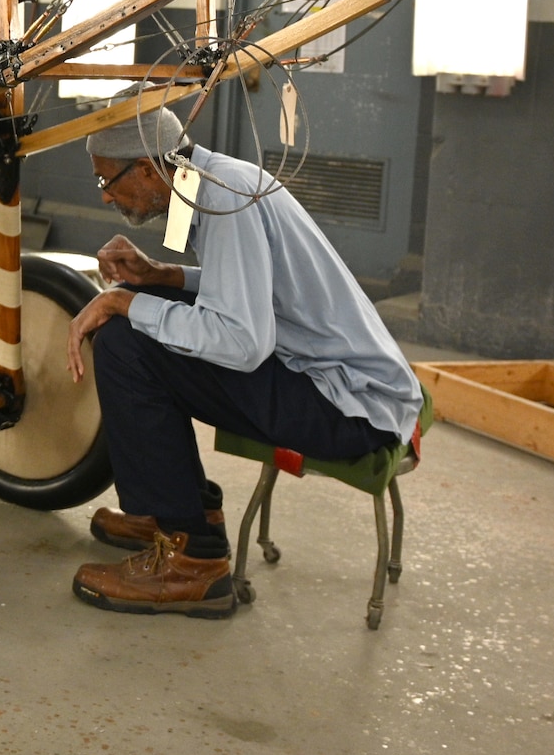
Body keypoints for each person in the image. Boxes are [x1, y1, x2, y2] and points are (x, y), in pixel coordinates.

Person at [62, 107, 423, 619]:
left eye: (106, 178)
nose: (103, 193)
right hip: (344, 383)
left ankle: (193, 562)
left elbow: (242, 341)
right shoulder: (210, 178)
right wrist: (161, 276)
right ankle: (181, 509)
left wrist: (126, 302)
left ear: (146, 168)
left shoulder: (222, 199)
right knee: (136, 313)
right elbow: (244, 290)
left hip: (349, 408)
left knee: (125, 339)